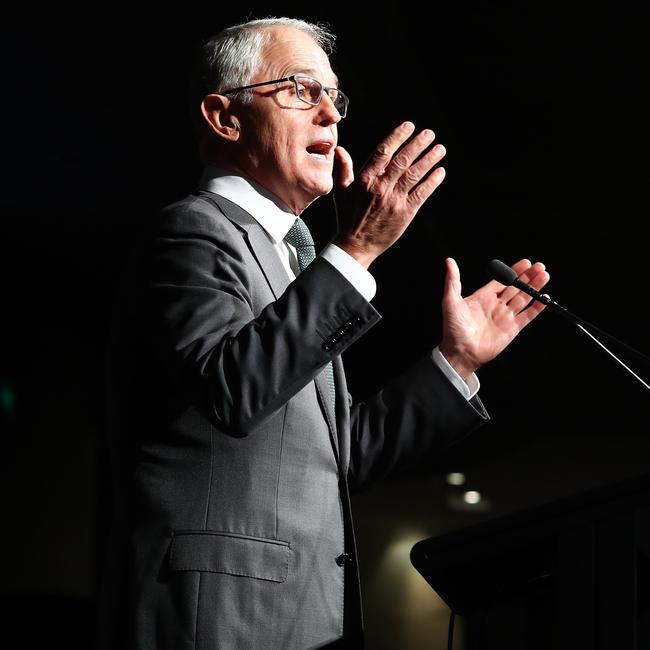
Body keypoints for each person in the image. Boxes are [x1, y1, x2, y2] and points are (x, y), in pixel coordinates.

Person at [97, 16, 550, 650]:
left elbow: (336, 458)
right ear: (225, 117)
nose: (330, 114)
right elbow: (233, 389)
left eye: (334, 96)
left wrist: (456, 361)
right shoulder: (192, 233)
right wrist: (356, 248)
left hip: (307, 616)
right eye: (302, 89)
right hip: (217, 617)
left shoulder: (300, 260)